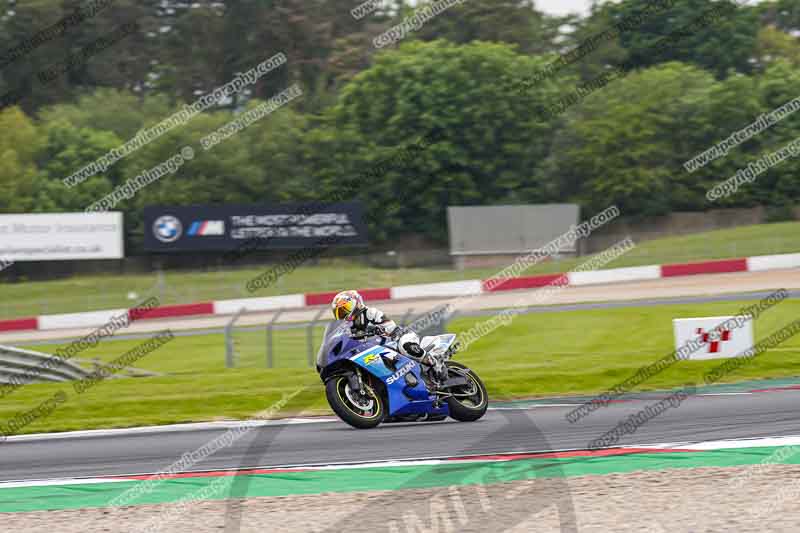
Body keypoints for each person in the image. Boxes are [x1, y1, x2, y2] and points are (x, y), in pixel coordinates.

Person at [331, 290, 447, 379]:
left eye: (344, 310)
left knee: (406, 346)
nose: (342, 315)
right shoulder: (349, 326)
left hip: (397, 337)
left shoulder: (370, 312)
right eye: (339, 313)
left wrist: (376, 329)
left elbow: (390, 326)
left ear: (355, 304)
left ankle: (435, 363)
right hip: (376, 348)